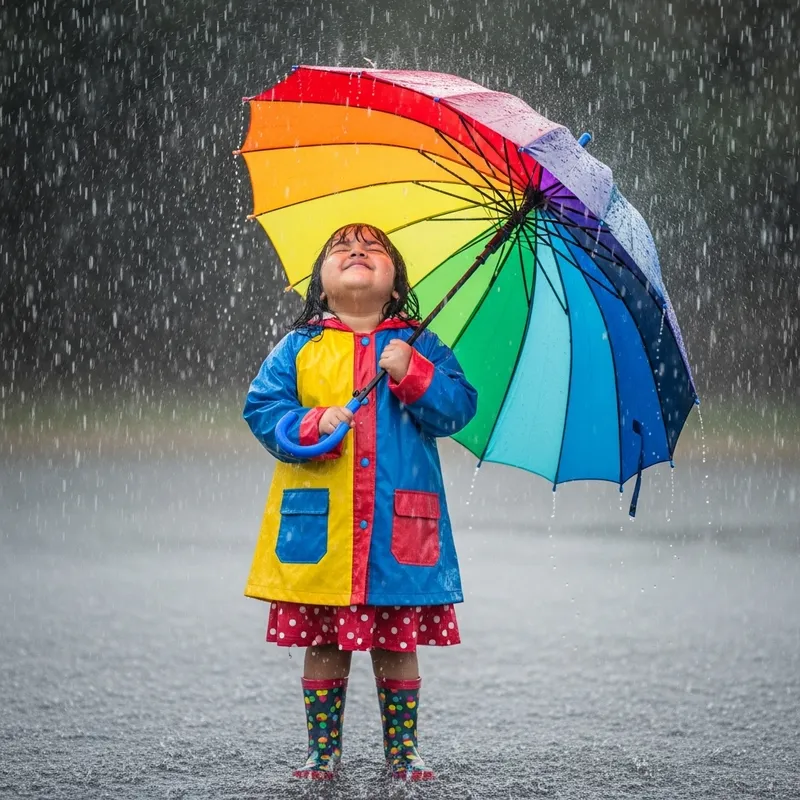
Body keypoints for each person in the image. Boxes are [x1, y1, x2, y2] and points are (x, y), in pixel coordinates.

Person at [243, 223, 477, 781]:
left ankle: (404, 753)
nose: (357, 252)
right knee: (326, 638)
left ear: (396, 286)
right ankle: (323, 753)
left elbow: (458, 408)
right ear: (320, 286)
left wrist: (413, 373)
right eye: (342, 248)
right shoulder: (300, 346)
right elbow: (262, 409)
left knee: (396, 642)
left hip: (399, 530)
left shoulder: (419, 345)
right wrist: (312, 421)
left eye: (373, 248)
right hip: (324, 530)